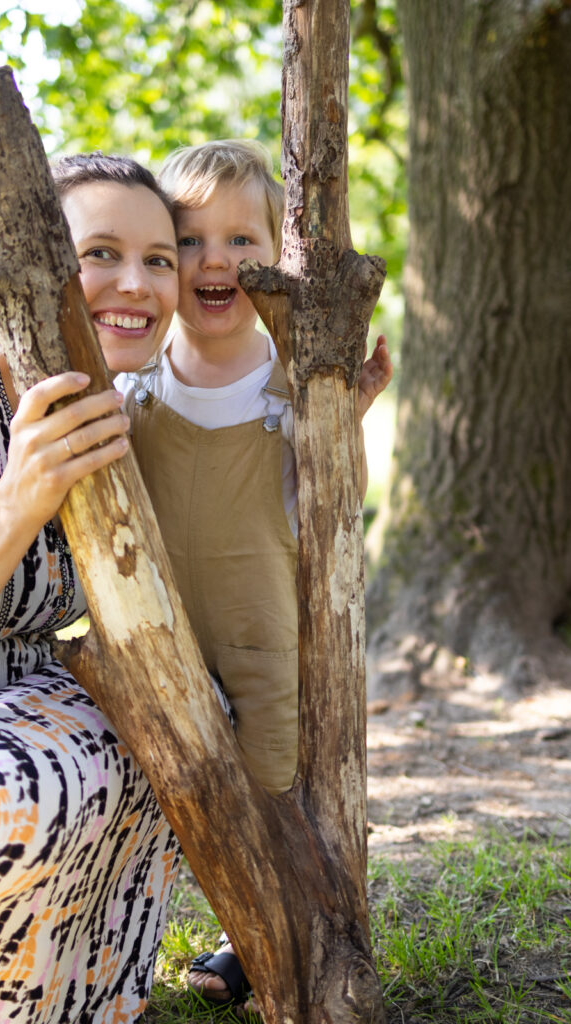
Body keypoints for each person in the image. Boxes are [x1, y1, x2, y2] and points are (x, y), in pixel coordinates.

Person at [0, 153, 182, 1023]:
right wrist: (19, 500)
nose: (135, 284)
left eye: (159, 259)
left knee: (180, 719)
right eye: (99, 254)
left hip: (22, 708)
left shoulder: (120, 417)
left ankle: (67, 996)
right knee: (3, 786)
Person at [115, 139, 393, 1009]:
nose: (215, 261)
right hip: (158, 631)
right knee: (171, 786)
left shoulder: (288, 378)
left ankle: (259, 933)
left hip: (266, 633)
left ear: (277, 258)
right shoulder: (138, 383)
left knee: (270, 786)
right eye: (189, 241)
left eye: (242, 241)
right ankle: (127, 926)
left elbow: (326, 501)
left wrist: (343, 419)